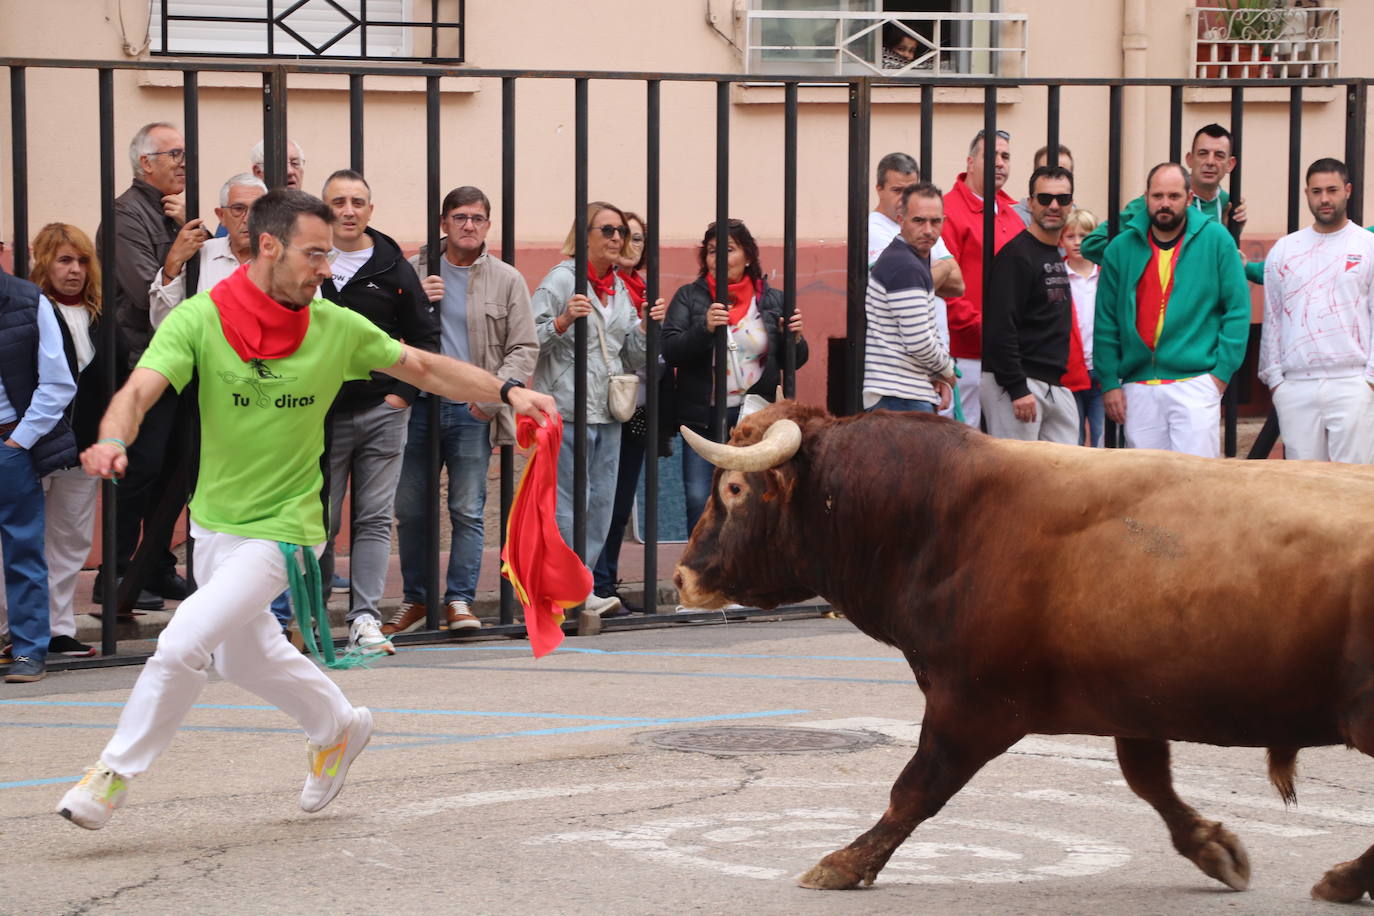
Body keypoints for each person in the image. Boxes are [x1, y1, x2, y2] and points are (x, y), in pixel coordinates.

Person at [56, 188, 555, 830]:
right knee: (242, 656)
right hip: (216, 523)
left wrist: (509, 390)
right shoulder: (199, 320)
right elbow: (139, 390)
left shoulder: (334, 326)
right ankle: (338, 726)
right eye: (314, 253)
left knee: (183, 642)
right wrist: (112, 438)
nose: (327, 267)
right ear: (268, 246)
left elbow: (425, 367)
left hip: (286, 528)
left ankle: (112, 776)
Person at [391, 186, 539, 634]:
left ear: (488, 225)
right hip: (417, 405)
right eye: (460, 217)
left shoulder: (507, 279)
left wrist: (489, 400)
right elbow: (384, 334)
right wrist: (415, 297)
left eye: (477, 218)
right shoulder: (412, 270)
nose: (469, 225)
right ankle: (416, 601)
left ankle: (459, 601)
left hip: (472, 410)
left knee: (467, 509)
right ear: (444, 223)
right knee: (411, 509)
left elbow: (524, 347)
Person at [316, 169, 440, 655]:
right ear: (324, 209)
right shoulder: (310, 259)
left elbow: (425, 338)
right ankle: (313, 613)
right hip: (319, 417)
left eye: (357, 202)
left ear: (371, 210)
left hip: (382, 412)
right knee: (318, 520)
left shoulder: (392, 266)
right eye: (338, 202)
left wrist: (402, 397)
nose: (348, 211)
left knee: (372, 518)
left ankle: (365, 619)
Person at [531, 201, 667, 619]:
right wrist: (561, 322)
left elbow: (629, 356)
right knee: (568, 506)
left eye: (620, 233)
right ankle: (563, 587)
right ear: (584, 234)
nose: (615, 239)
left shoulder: (619, 288)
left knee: (601, 505)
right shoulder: (561, 281)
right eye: (607, 230)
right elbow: (527, 337)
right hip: (568, 407)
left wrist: (645, 328)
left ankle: (581, 585)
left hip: (608, 412)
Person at [95, 121, 192, 611]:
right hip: (142, 362)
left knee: (180, 468)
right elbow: (140, 292)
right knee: (140, 470)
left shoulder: (179, 212)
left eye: (184, 152)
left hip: (187, 364)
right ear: (144, 163)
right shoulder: (124, 215)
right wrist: (175, 250)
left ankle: (154, 567)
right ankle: (112, 573)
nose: (182, 161)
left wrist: (187, 225)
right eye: (172, 153)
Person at [1094, 163, 1251, 457]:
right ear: (1146, 198)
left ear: (1189, 198)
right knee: (1144, 487)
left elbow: (1238, 310)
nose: (1165, 203)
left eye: (1174, 196)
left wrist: (1219, 375)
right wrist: (1109, 383)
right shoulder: (1120, 248)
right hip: (1137, 385)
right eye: (1157, 196)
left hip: (1196, 381)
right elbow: (1106, 321)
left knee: (1196, 486)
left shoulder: (1216, 240)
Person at [19, 225, 125, 659]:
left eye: (82, 261)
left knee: (70, 541)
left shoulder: (102, 318)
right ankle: (18, 628)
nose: (75, 270)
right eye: (64, 260)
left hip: (83, 446)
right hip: (32, 444)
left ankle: (59, 628)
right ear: (43, 262)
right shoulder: (26, 312)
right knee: (25, 537)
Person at [663, 218, 808, 532]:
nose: (718, 258)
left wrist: (793, 338)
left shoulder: (771, 300)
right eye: (712, 251)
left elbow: (795, 361)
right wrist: (705, 329)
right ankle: (703, 573)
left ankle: (745, 576)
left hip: (754, 419)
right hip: (704, 415)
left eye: (728, 250)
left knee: (755, 497)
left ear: (748, 257)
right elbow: (671, 350)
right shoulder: (689, 297)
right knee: (700, 497)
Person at [1258, 157, 1374, 462]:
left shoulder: (1367, 246)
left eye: (1332, 190)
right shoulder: (1285, 250)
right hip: (1296, 385)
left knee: (1352, 484)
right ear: (1307, 193)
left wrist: (1369, 381)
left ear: (1347, 191)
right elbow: (1272, 318)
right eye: (1316, 191)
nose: (1324, 198)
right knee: (1303, 488)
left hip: (1352, 381)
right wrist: (1276, 383)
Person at [0, 256, 77, 684]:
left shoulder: (28, 302)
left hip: (7, 442)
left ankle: (30, 650)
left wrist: (19, 441)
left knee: (23, 549)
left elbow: (58, 383)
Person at [591, 211, 672, 612]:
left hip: (636, 408)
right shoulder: (603, 288)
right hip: (598, 406)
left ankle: (604, 583)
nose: (627, 243)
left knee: (619, 503)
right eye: (621, 234)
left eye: (637, 239)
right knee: (592, 500)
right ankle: (588, 584)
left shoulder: (643, 292)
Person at [980, 166, 1079, 444]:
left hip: (1054, 384)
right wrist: (1017, 387)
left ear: (1071, 204)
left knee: (1064, 477)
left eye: (1062, 199)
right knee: (1016, 482)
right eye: (1045, 198)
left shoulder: (1053, 253)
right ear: (1031, 202)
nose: (1054, 206)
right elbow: (999, 328)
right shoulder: (1016, 256)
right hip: (1017, 384)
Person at [941, 128, 1026, 428]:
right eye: (992, 156)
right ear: (970, 162)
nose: (1000, 163)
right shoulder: (948, 211)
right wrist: (986, 331)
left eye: (1006, 156)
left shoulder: (1012, 215)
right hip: (966, 355)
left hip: (1007, 356)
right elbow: (946, 288)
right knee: (962, 450)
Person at [1083, 124, 1248, 265]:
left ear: (1230, 164)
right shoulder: (1159, 202)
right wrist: (1149, 261)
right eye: (1203, 153)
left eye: (1219, 155)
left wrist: (1231, 231)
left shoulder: (1230, 204)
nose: (1210, 162)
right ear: (1189, 159)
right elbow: (1092, 245)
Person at [863, 182, 955, 413]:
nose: (928, 230)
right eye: (919, 220)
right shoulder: (905, 267)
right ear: (901, 220)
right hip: (900, 398)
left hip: (901, 394)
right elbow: (919, 342)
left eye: (935, 222)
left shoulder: (906, 260)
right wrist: (948, 370)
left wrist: (936, 374)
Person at [150, 173, 267, 327]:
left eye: (257, 210)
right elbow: (162, 322)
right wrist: (173, 263)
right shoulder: (201, 254)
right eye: (238, 209)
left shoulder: (282, 259)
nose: (247, 219)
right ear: (221, 216)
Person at [1062, 208, 1104, 447]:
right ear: (1062, 240)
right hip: (1070, 370)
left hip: (1101, 369)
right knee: (1071, 439)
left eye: (1085, 236)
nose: (1078, 243)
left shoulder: (1105, 274)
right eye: (1071, 236)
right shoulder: (1058, 274)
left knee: (1104, 439)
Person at [1012, 144, 1075, 227]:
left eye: (1063, 173)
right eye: (1048, 172)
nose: (1055, 178)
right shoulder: (1015, 219)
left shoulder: (1078, 218)